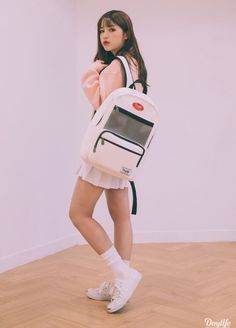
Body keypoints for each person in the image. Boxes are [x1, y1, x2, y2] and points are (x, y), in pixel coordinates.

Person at [69, 10, 148, 313]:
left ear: (126, 33)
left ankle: (123, 274)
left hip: (104, 151)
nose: (105, 35)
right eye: (102, 30)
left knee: (78, 214)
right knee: (121, 217)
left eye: (112, 29)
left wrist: (91, 74)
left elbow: (103, 106)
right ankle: (120, 283)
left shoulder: (115, 65)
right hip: (124, 153)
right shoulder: (135, 65)